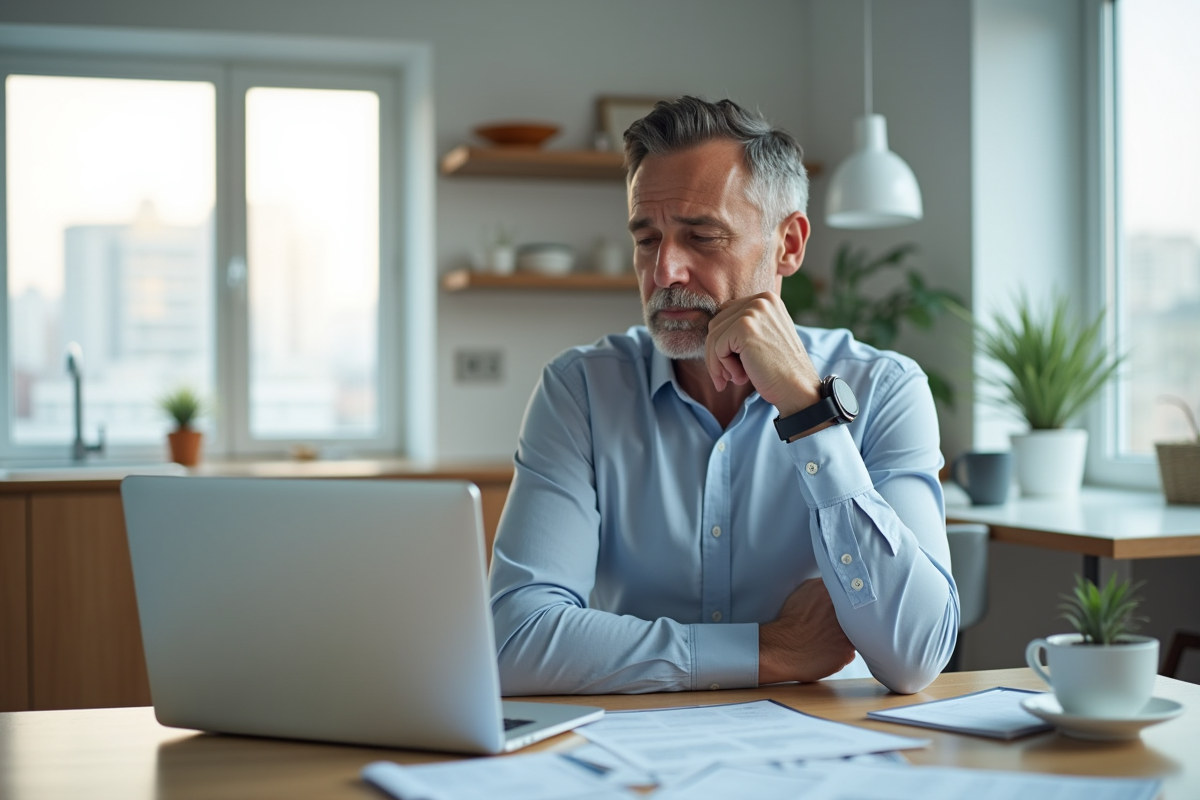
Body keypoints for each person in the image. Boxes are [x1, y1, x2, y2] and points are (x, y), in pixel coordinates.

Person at [489, 96, 958, 696]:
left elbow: (915, 656)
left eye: (702, 236)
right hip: (640, 742)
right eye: (647, 239)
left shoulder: (886, 389)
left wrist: (809, 412)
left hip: (829, 738)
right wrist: (772, 651)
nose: (664, 272)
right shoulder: (580, 390)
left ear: (789, 244)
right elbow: (514, 642)